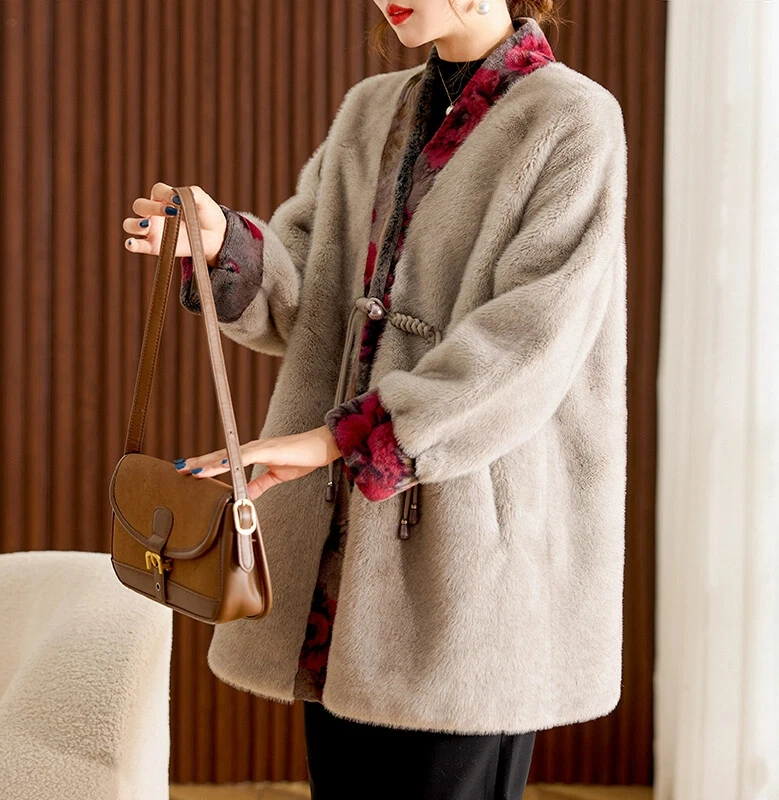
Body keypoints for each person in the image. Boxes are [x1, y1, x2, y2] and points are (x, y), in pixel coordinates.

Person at [121, 1, 628, 797]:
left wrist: (343, 438)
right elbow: (310, 295)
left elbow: (532, 343)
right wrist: (224, 247)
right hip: (341, 558)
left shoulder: (572, 119)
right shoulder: (371, 111)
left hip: (474, 558)